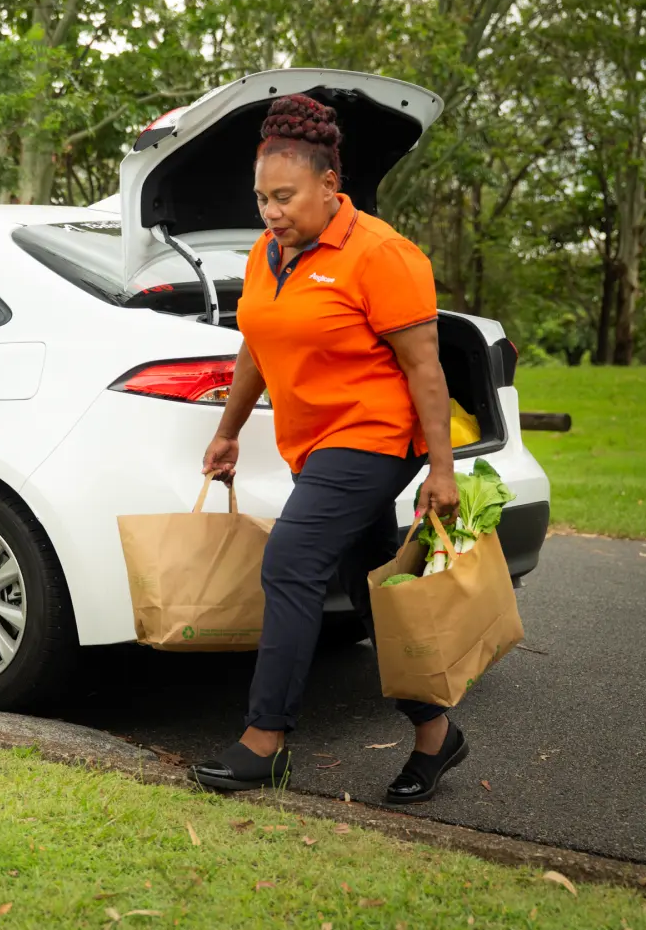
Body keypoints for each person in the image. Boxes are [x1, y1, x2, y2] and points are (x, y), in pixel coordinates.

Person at [189, 93, 467, 804]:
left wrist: (441, 467)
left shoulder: (382, 253)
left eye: (284, 196)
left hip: (376, 436)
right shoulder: (267, 253)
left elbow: (425, 368)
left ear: (328, 187)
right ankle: (437, 735)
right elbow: (256, 343)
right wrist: (228, 430)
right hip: (313, 445)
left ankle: (264, 741)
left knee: (291, 561)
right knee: (375, 589)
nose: (271, 210)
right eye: (261, 198)